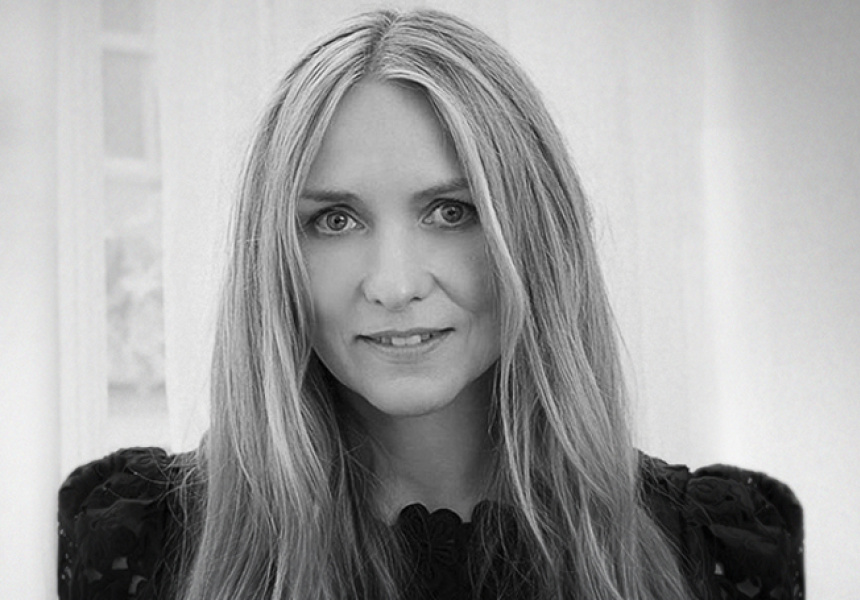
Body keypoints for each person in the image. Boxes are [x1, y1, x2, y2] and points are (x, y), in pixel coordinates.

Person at [58, 9, 803, 600]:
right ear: (274, 257)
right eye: (335, 220)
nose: (394, 284)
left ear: (538, 234)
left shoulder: (724, 553)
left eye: (450, 211)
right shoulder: (131, 547)